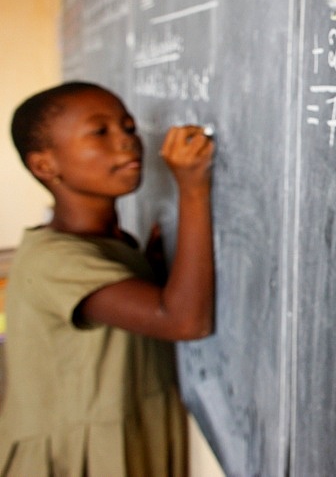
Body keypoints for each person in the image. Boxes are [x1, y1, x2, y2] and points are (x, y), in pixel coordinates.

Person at [0, 81, 215, 476]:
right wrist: (193, 190)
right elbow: (184, 320)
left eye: (129, 127)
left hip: (121, 437)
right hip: (78, 458)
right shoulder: (55, 261)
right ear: (45, 165)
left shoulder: (108, 243)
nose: (127, 142)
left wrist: (147, 269)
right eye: (101, 132)